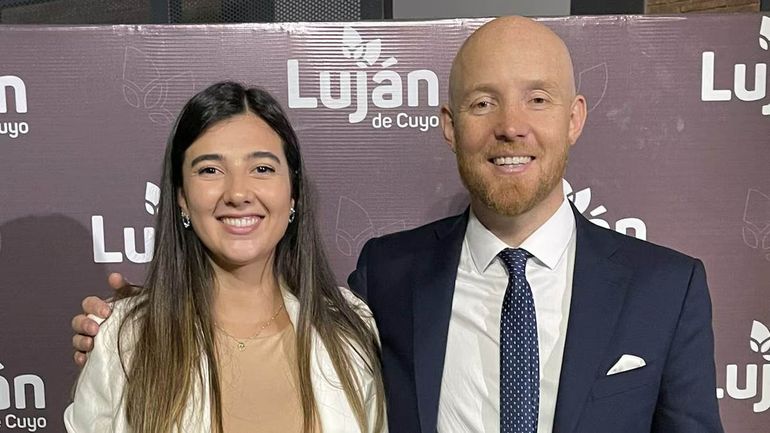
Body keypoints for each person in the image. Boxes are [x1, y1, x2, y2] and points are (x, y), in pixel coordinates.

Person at [72, 17, 724, 433]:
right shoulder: (384, 282)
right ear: (448, 125)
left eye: (538, 98)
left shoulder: (667, 290)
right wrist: (125, 330)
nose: (510, 125)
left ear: (574, 117)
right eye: (481, 102)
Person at [65, 81, 385, 433]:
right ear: (182, 198)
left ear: (292, 193)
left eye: (262, 168)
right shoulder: (125, 338)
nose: (237, 192)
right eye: (209, 170)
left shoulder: (349, 327)